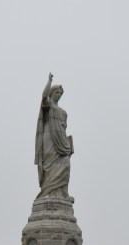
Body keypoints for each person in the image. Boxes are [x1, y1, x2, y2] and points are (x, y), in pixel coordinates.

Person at [34, 72, 73, 200]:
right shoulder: (48, 105)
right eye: (57, 92)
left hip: (62, 141)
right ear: (52, 93)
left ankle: (63, 193)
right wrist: (49, 82)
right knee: (49, 164)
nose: (59, 95)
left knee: (65, 162)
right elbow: (44, 97)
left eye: (61, 93)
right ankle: (47, 193)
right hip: (49, 138)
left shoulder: (63, 112)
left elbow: (63, 128)